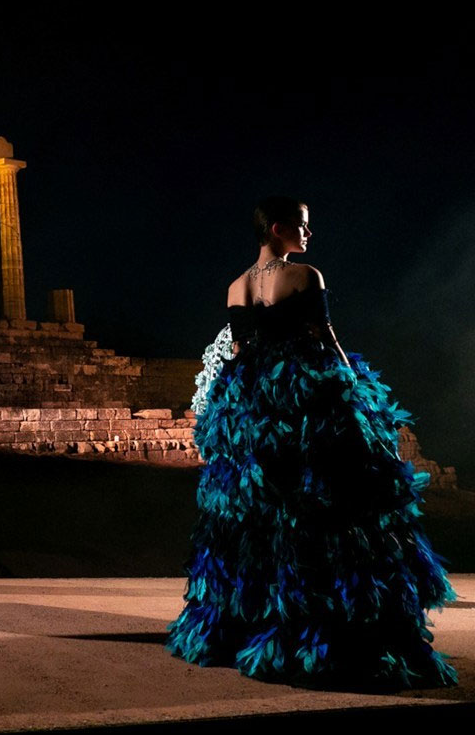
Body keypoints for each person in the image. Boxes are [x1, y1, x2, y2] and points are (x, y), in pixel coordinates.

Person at [166, 196, 457, 688]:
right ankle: (326, 620)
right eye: (302, 226)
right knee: (327, 501)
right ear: (277, 229)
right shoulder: (305, 276)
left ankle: (249, 620)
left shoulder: (236, 287)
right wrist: (354, 387)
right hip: (303, 395)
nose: (309, 233)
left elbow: (238, 349)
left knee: (256, 510)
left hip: (252, 403)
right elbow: (326, 336)